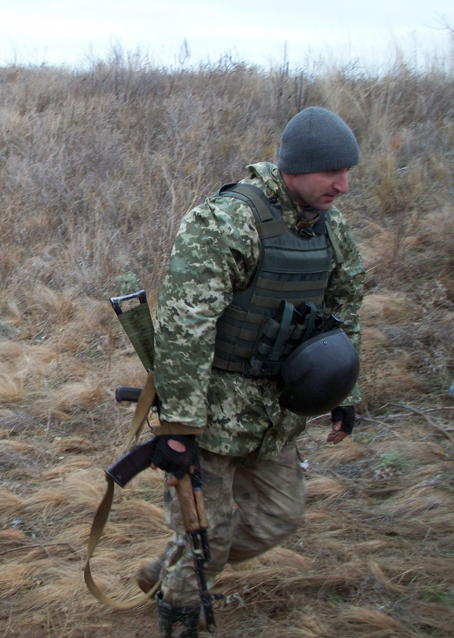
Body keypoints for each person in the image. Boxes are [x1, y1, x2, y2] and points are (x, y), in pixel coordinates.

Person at [142, 107, 365, 637]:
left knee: (278, 517)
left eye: (348, 170)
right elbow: (183, 327)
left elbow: (345, 310)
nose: (344, 184)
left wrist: (344, 390)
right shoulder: (225, 222)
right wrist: (178, 428)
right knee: (208, 536)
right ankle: (179, 611)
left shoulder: (330, 230)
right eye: (332, 172)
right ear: (296, 168)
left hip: (277, 415)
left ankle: (174, 567)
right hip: (213, 415)